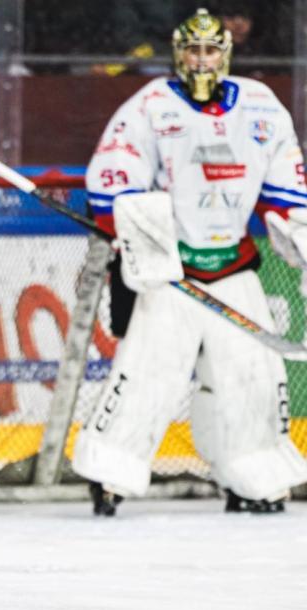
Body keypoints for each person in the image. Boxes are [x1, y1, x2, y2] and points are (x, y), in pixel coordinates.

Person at [76, 9, 307, 516]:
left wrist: (298, 237)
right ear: (178, 53)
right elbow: (115, 179)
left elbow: (285, 193)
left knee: (254, 374)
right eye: (193, 50)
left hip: (234, 268)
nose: (202, 60)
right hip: (172, 274)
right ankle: (110, 473)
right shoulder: (150, 107)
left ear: (225, 54)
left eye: (211, 50)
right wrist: (141, 238)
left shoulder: (262, 107)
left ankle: (251, 475)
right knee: (149, 372)